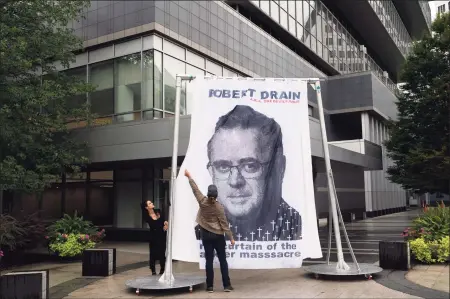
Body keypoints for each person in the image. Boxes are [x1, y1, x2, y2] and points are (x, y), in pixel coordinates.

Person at [204, 105, 302, 242]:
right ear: (212, 173)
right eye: (223, 167)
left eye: (250, 166)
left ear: (279, 168)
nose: (234, 181)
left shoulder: (297, 228)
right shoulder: (201, 232)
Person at [185, 169, 235, 293]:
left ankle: (210, 287)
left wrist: (189, 176)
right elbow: (224, 225)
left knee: (209, 261)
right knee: (223, 260)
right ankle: (227, 286)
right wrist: (231, 238)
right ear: (217, 194)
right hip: (218, 236)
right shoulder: (219, 207)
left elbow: (195, 190)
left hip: (206, 236)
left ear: (207, 194)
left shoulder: (202, 202)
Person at [140, 200, 168, 275]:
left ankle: (162, 268)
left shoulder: (158, 211)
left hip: (162, 234)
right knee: (153, 253)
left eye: (151, 202)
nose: (152, 203)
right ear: (146, 207)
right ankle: (153, 270)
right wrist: (158, 220)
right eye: (149, 203)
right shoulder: (147, 216)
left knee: (162, 251)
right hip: (153, 236)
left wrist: (166, 223)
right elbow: (153, 224)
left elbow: (164, 220)